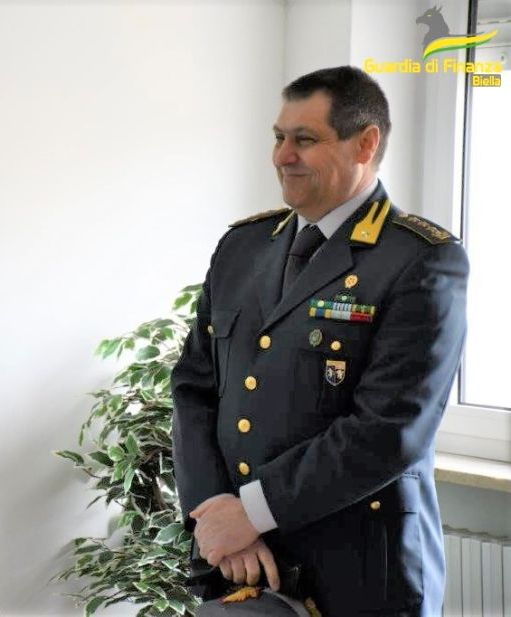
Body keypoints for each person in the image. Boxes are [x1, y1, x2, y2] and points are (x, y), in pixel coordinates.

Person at [172, 66, 468, 616]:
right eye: (279, 137)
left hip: (359, 570)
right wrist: (214, 509)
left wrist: (251, 513)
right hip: (242, 563)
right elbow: (194, 387)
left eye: (304, 139)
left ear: (365, 144)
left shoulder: (420, 259)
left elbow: (390, 429)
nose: (282, 156)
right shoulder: (242, 246)